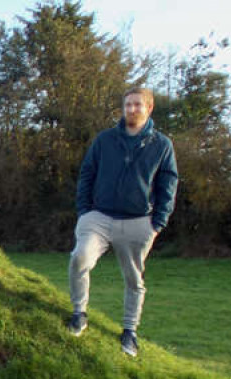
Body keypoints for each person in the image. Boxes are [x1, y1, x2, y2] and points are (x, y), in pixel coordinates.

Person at [67, 87, 179, 357]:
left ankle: (130, 331)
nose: (132, 109)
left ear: (149, 108)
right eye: (128, 104)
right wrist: (84, 211)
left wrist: (157, 223)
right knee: (80, 257)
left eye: (138, 105)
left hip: (139, 221)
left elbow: (168, 184)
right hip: (99, 216)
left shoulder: (161, 145)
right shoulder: (105, 140)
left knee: (134, 278)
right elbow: (87, 174)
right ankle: (79, 313)